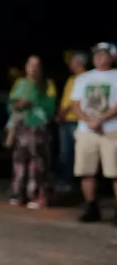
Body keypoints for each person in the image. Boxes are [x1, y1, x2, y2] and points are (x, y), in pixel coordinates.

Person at [70, 42, 117, 224]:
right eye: (96, 54)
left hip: (112, 131)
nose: (98, 57)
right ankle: (91, 207)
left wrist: (101, 119)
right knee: (86, 171)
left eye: (103, 54)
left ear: (112, 57)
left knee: (114, 172)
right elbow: (75, 104)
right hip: (86, 131)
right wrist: (88, 120)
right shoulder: (83, 78)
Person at [7, 55, 57, 209]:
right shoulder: (20, 83)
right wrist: (16, 106)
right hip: (21, 127)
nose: (32, 68)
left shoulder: (47, 84)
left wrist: (32, 103)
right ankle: (18, 193)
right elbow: (10, 103)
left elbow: (50, 106)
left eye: (36, 65)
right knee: (19, 160)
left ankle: (38, 195)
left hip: (38, 127)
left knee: (38, 162)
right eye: (30, 64)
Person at [56, 51, 88, 193]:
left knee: (77, 153)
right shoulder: (71, 78)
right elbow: (65, 99)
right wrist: (60, 112)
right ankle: (66, 181)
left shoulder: (85, 77)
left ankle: (77, 183)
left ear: (79, 62)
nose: (70, 64)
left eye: (72, 61)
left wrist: (63, 112)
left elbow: (76, 100)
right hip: (66, 120)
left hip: (76, 120)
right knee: (65, 153)